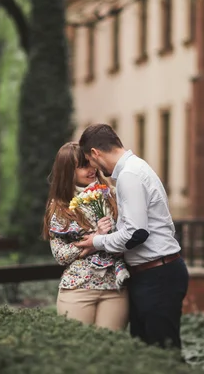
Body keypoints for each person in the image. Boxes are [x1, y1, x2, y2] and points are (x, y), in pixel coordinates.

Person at [74, 124, 189, 350]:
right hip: (153, 274)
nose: (95, 168)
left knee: (163, 355)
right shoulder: (135, 168)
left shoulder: (129, 175)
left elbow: (137, 233)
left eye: (91, 161)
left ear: (95, 153)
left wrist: (96, 242)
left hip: (157, 276)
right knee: (147, 354)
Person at [42, 141, 130, 331]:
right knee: (77, 352)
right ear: (67, 171)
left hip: (114, 288)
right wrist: (95, 240)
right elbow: (60, 256)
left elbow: (128, 236)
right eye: (83, 166)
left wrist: (96, 242)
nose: (91, 169)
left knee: (112, 351)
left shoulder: (111, 195)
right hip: (77, 289)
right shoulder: (58, 207)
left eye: (91, 162)